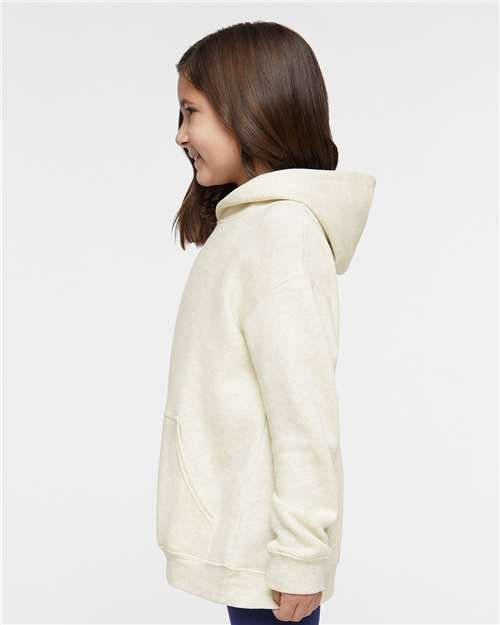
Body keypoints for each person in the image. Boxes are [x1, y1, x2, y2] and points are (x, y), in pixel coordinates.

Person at [156, 20, 376, 624]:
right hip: (244, 538)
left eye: (190, 112)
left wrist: (302, 554)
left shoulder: (281, 233)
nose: (180, 135)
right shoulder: (248, 228)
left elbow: (303, 408)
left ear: (247, 109)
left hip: (270, 558)